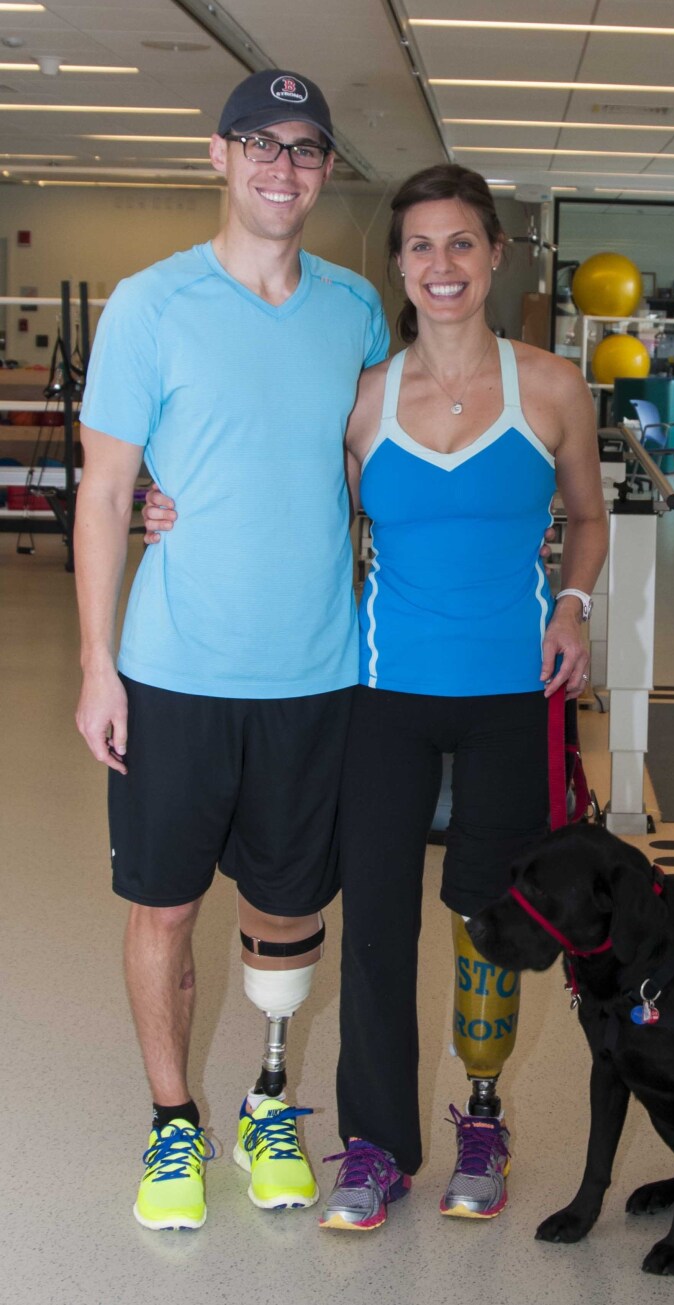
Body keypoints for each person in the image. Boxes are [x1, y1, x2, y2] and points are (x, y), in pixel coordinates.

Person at [143, 165, 608, 1231]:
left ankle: (481, 1118)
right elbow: (273, 491)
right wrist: (166, 502)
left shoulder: (549, 386)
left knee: (489, 919)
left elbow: (586, 519)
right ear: (396, 267)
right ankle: (376, 1147)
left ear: (496, 255)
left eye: (460, 245)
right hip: (383, 694)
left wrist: (573, 605)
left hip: (511, 696)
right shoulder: (364, 401)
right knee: (379, 926)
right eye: (419, 247)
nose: (440, 266)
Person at [74, 68, 388, 1232]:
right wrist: (99, 667)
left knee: (288, 905)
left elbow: (370, 473)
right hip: (173, 671)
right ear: (218, 156)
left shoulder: (355, 308)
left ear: (324, 172)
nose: (281, 165)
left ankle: (266, 1102)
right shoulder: (149, 305)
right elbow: (106, 495)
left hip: (315, 672)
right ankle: (171, 1122)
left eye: (305, 147)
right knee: (162, 906)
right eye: (259, 142)